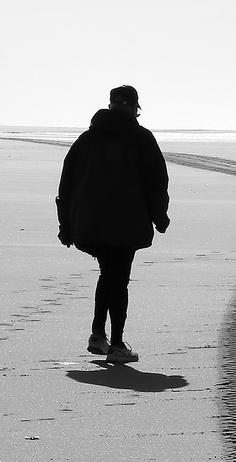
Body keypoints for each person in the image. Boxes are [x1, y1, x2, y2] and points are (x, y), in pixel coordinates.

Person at [56, 85, 170, 364]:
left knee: (108, 274)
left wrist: (66, 225)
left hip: (89, 222)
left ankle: (98, 334)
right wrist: (160, 217)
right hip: (125, 222)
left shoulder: (86, 139)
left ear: (110, 106)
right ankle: (117, 344)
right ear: (134, 108)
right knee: (118, 278)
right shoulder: (141, 138)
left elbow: (66, 185)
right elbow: (156, 182)